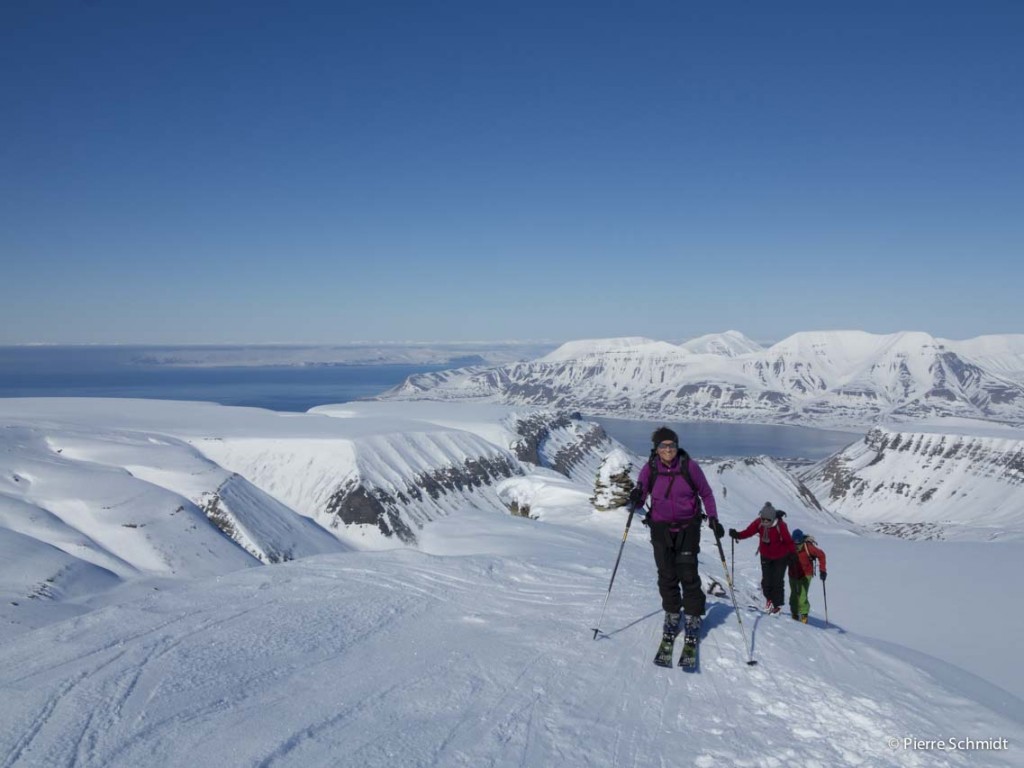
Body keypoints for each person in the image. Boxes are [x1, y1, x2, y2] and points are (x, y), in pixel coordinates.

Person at [629, 426, 723, 638]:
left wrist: (714, 519)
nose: (669, 449)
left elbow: (706, 494)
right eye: (663, 445)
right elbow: (641, 498)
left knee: (688, 573)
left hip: (688, 527)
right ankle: (672, 612)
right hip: (660, 528)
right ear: (656, 448)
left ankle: (693, 615)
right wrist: (635, 497)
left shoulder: (689, 467)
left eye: (672, 445)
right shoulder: (649, 469)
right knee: (667, 574)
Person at [729, 502, 795, 614]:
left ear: (773, 518)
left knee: (777, 581)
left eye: (767, 520)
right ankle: (769, 600)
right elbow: (749, 532)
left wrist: (793, 555)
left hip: (781, 557)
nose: (764, 522)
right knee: (766, 581)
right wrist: (737, 535)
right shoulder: (759, 523)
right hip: (766, 556)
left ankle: (777, 605)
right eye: (763, 519)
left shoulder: (780, 526)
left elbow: (789, 541)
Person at [788, 529, 827, 623]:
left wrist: (822, 570)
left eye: (799, 544)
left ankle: (804, 614)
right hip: (793, 574)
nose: (797, 546)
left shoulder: (808, 547)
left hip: (806, 574)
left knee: (802, 595)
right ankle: (794, 613)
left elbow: (821, 555)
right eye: (795, 544)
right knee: (793, 595)